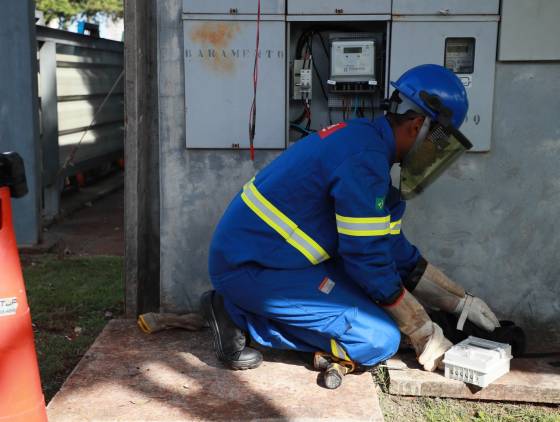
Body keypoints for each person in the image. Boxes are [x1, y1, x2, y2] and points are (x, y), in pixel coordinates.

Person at [201, 64, 500, 379]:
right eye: (436, 142)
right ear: (416, 126)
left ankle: (242, 307)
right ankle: (237, 315)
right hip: (250, 269)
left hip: (273, 261)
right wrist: (422, 329)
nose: (433, 154)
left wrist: (458, 301)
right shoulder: (364, 161)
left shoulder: (366, 145)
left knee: (377, 311)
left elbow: (389, 247)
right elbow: (367, 258)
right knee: (380, 340)